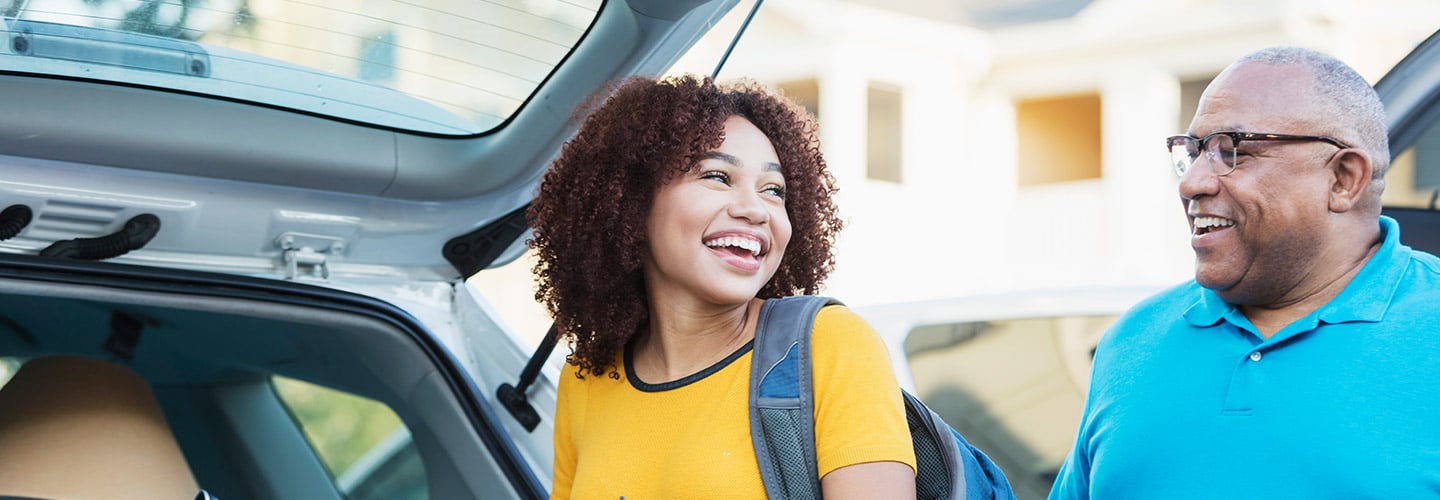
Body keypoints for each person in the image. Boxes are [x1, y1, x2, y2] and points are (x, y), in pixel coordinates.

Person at [1049, 46, 1440, 499]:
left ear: (1343, 179)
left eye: (1232, 150)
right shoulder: (1132, 339)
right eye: (1192, 151)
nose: (1192, 182)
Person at [530, 75, 917, 499]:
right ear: (629, 202)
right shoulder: (585, 381)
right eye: (717, 176)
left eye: (774, 190)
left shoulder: (828, 344)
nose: (755, 209)